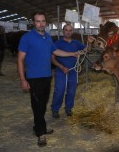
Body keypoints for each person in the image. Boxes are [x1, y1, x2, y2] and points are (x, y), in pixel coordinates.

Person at [17, 12, 79, 147]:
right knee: (38, 105)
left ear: (46, 22)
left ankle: (39, 127)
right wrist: (22, 79)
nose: (41, 24)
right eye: (38, 21)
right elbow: (20, 59)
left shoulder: (48, 37)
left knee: (43, 104)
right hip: (34, 77)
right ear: (33, 22)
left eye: (43, 21)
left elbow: (56, 52)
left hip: (46, 76)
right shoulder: (26, 38)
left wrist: (72, 53)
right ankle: (40, 133)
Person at [51, 24, 95, 118]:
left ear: (72, 31)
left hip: (73, 70)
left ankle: (68, 108)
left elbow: (87, 50)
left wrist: (89, 42)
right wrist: (62, 67)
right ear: (63, 31)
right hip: (61, 70)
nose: (68, 32)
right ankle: (55, 109)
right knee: (59, 90)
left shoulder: (76, 43)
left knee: (71, 91)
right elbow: (52, 58)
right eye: (66, 30)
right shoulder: (57, 43)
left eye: (70, 30)